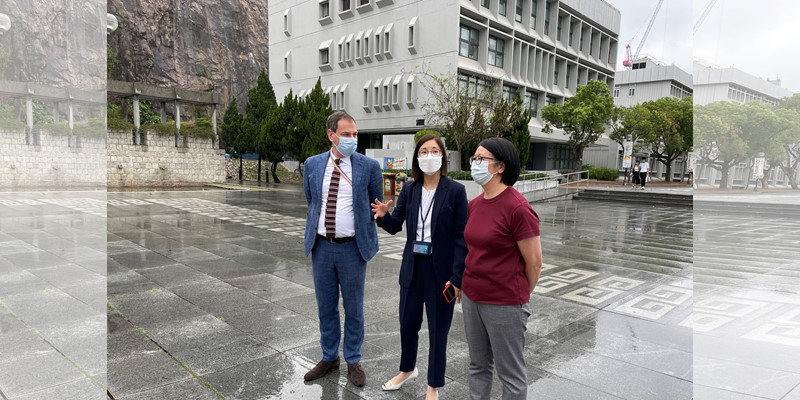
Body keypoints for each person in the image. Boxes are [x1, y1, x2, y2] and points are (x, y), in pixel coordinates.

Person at [371, 134, 468, 400]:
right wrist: (382, 216)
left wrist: (457, 277)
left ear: (443, 157)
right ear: (417, 157)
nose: (429, 156)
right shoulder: (411, 189)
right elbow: (395, 225)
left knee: (438, 331)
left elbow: (462, 237)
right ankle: (407, 369)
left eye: (434, 151)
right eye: (423, 151)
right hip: (413, 268)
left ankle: (433, 385)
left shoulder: (456, 191)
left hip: (441, 273)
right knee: (407, 324)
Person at [302, 111, 383, 387]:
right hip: (322, 247)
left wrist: (381, 212)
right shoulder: (312, 165)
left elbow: (375, 206)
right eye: (346, 134)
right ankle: (329, 357)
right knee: (326, 306)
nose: (352, 139)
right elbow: (312, 201)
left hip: (353, 248)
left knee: (354, 307)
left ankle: (353, 359)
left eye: (355, 134)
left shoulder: (368, 167)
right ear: (331, 135)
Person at [462, 137, 543, 400]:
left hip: (505, 302)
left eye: (481, 159)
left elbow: (534, 263)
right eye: (474, 158)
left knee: (511, 374)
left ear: (500, 167)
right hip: (472, 297)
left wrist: (517, 296)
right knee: (478, 365)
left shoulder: (518, 208)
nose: (474, 163)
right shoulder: (475, 204)